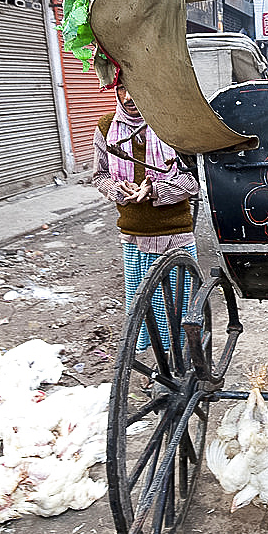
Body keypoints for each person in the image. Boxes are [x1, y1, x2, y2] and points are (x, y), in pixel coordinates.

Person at [93, 81, 199, 348]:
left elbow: (193, 181)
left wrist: (154, 190)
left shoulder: (171, 125)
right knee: (145, 307)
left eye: (136, 87)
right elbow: (100, 176)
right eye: (121, 89)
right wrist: (118, 189)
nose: (128, 97)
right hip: (133, 234)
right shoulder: (107, 127)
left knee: (180, 309)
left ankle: (185, 362)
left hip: (174, 235)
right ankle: (159, 364)